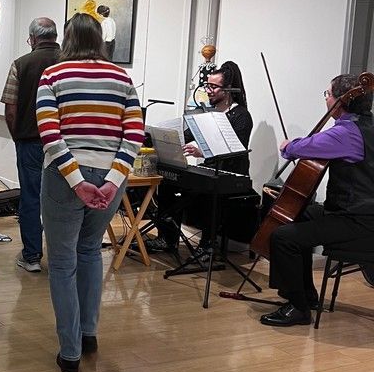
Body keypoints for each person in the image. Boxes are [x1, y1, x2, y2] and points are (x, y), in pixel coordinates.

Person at [37, 13, 144, 372]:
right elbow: (134, 135)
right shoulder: (122, 78)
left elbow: (50, 134)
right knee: (90, 251)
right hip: (110, 176)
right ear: (99, 39)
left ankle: (70, 353)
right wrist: (113, 180)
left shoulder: (53, 76)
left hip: (64, 177)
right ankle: (88, 333)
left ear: (67, 39)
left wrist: (76, 179)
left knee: (62, 262)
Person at [261, 74, 374, 326]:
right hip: (359, 213)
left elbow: (299, 148)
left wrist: (288, 145)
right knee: (299, 214)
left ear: (341, 101)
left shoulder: (346, 133)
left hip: (355, 219)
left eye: (328, 94)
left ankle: (298, 308)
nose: (326, 99)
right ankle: (306, 293)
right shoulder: (368, 127)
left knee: (283, 236)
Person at [150, 60, 254, 259]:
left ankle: (207, 247)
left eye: (213, 87)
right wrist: (166, 139)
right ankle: (167, 238)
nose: (208, 91)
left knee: (209, 194)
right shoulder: (208, 113)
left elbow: (236, 151)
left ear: (228, 90)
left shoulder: (241, 116)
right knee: (168, 183)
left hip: (231, 174)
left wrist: (203, 152)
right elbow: (186, 135)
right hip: (210, 169)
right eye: (207, 85)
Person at [1, 18, 61, 273]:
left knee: (30, 198)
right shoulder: (69, 62)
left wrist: (18, 136)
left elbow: (10, 109)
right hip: (64, 143)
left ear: (33, 39)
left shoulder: (21, 64)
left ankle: (32, 256)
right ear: (55, 36)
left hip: (30, 141)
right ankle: (62, 256)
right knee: (63, 199)